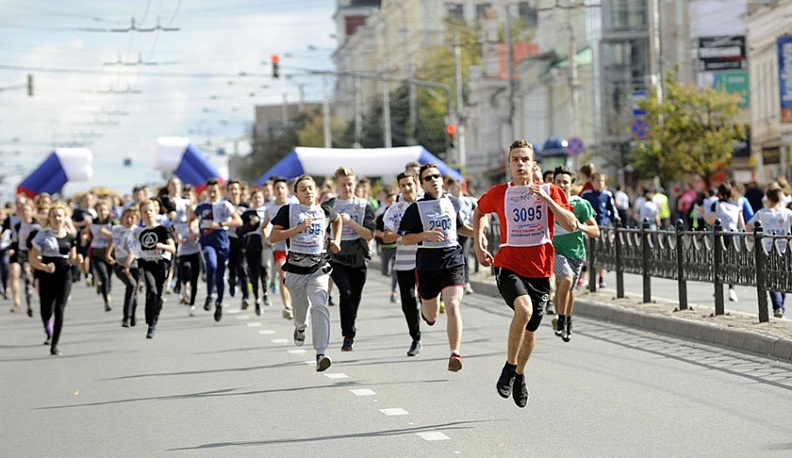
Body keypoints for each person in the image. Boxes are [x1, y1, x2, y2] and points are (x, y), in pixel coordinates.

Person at [472, 140, 577, 408]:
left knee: (530, 333)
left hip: (541, 271)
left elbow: (571, 224)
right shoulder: (499, 193)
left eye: (525, 159)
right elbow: (479, 211)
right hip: (508, 265)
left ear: (533, 164)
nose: (520, 164)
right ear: (509, 165)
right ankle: (509, 367)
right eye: (515, 159)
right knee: (524, 310)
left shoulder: (550, 190)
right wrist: (478, 242)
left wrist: (548, 201)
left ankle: (519, 375)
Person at [398, 163, 475, 372]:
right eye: (428, 178)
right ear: (422, 184)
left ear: (442, 180)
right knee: (431, 316)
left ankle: (454, 354)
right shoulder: (416, 208)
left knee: (452, 306)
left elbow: (460, 228)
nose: (434, 180)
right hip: (427, 266)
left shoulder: (454, 202)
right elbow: (405, 240)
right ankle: (427, 313)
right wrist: (425, 235)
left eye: (436, 176)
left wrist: (478, 233)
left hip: (453, 261)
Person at [269, 174, 343, 372]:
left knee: (319, 305)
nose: (308, 191)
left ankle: (321, 353)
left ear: (316, 191)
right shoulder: (289, 211)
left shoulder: (325, 211)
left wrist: (336, 240)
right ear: (296, 194)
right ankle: (300, 328)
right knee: (300, 312)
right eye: (303, 189)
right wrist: (297, 229)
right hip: (295, 270)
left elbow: (338, 220)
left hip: (318, 267)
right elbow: (273, 236)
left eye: (311, 188)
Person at [326, 167, 376, 351]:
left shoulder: (363, 205)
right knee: (345, 293)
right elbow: (321, 230)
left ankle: (351, 326)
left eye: (350, 184)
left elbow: (369, 234)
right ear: (337, 185)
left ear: (355, 184)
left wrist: (349, 222)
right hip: (337, 255)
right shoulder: (329, 205)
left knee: (354, 296)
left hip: (358, 255)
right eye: (343, 185)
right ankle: (348, 334)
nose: (347, 188)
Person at [551, 166, 600, 342]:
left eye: (565, 182)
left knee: (569, 289)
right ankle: (561, 318)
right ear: (553, 183)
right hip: (555, 251)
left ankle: (567, 321)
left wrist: (580, 226)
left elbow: (596, 231)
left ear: (572, 184)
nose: (562, 185)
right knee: (567, 279)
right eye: (558, 182)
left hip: (576, 252)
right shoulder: (548, 202)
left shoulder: (580, 204)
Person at [28, 204, 82, 355]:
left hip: (64, 273)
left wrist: (78, 259)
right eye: (54, 216)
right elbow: (32, 260)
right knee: (46, 309)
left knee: (60, 308)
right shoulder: (42, 235)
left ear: (65, 218)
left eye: (60, 216)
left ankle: (54, 344)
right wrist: (44, 267)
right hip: (46, 273)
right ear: (49, 219)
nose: (57, 219)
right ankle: (47, 325)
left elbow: (72, 258)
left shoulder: (70, 236)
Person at [382, 171, 423, 356]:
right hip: (404, 261)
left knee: (426, 298)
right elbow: (386, 236)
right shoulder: (395, 209)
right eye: (403, 185)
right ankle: (416, 338)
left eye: (410, 184)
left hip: (426, 258)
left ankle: (431, 308)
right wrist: (403, 232)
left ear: (416, 184)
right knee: (408, 301)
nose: (407, 189)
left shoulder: (426, 203)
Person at [126, 200, 176, 339]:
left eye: (150, 211)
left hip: (161, 264)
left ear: (155, 212)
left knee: (158, 295)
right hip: (146, 264)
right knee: (151, 290)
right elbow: (134, 249)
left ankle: (153, 323)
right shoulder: (138, 232)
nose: (148, 214)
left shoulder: (163, 229)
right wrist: (129, 262)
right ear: (141, 215)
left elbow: (173, 248)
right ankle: (150, 323)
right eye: (144, 212)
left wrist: (162, 246)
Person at [194, 178, 243, 321]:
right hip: (207, 242)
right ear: (206, 192)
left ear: (220, 191)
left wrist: (221, 223)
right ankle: (210, 294)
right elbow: (191, 218)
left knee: (221, 275)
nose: (212, 194)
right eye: (210, 191)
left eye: (214, 191)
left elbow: (238, 221)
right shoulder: (202, 206)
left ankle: (219, 302)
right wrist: (192, 230)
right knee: (211, 264)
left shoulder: (225, 205)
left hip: (222, 243)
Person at [746, 184, 792, 318]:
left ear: (768, 199)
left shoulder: (761, 213)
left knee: (771, 278)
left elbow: (749, 227)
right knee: (783, 278)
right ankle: (781, 306)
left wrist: (753, 239)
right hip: (784, 250)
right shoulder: (788, 213)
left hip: (767, 250)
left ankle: (777, 306)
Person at [704, 182, 745, 302]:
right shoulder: (736, 205)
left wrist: (702, 214)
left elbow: (711, 221)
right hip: (733, 235)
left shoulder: (715, 205)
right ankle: (732, 288)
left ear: (720, 194)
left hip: (720, 236)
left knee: (719, 262)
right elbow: (741, 223)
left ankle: (719, 287)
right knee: (732, 262)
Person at [262, 176, 293, 319]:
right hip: (279, 246)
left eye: (282, 188)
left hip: (296, 246)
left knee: (295, 277)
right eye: (277, 188)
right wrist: (265, 239)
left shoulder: (295, 204)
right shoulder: (270, 209)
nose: (280, 191)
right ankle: (287, 306)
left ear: (287, 190)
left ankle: (296, 301)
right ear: (273, 191)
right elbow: (263, 227)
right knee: (283, 274)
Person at [106, 205, 141, 327]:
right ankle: (126, 317)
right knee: (131, 285)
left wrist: (128, 264)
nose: (129, 220)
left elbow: (134, 250)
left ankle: (133, 315)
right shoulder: (116, 229)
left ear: (136, 219)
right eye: (127, 217)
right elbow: (112, 240)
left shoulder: (137, 232)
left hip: (134, 264)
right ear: (122, 218)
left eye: (132, 218)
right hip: (120, 264)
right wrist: (108, 254)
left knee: (134, 290)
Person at [580, 172, 616, 288]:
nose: (600, 184)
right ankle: (590, 279)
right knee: (590, 253)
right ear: (592, 182)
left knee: (601, 253)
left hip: (603, 227)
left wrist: (613, 228)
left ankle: (601, 278)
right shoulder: (586, 195)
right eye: (597, 181)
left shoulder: (607, 195)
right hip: (589, 228)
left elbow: (613, 212)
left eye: (602, 181)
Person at [239, 189, 270, 315]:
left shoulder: (268, 211)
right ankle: (257, 300)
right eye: (255, 198)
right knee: (253, 272)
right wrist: (250, 224)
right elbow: (240, 232)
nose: (258, 200)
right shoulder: (247, 214)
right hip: (251, 244)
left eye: (260, 198)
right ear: (251, 200)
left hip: (266, 244)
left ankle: (265, 292)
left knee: (265, 268)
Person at [82, 200, 116, 311]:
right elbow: (85, 232)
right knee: (104, 276)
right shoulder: (93, 222)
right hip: (97, 253)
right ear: (97, 211)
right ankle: (107, 300)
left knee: (109, 277)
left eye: (105, 210)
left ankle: (107, 292)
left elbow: (118, 235)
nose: (102, 212)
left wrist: (107, 233)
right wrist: (85, 237)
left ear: (108, 211)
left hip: (110, 253)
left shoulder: (112, 222)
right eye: (100, 210)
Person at [224, 180, 250, 309]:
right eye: (231, 190)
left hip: (242, 241)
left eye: (236, 189)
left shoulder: (246, 207)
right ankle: (231, 281)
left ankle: (245, 296)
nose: (234, 192)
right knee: (231, 265)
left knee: (242, 266)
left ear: (240, 191)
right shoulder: (224, 207)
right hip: (228, 239)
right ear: (227, 192)